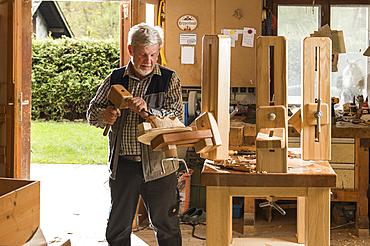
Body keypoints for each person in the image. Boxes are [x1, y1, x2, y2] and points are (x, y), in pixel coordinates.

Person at [87, 23, 183, 246]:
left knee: (167, 228)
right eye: (142, 55)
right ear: (130, 50)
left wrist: (149, 112)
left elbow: (177, 116)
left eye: (153, 54)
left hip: (160, 166)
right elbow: (91, 113)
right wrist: (105, 115)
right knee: (118, 229)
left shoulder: (169, 79)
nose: (148, 61)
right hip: (125, 165)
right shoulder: (115, 78)